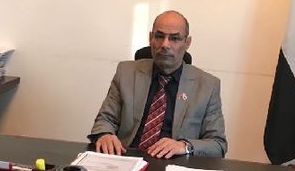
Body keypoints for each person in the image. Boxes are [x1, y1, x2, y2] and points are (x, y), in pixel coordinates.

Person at [89, 11, 227, 158]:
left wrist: (185, 146)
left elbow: (218, 144)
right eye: (159, 36)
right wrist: (105, 134)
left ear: (187, 43)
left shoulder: (207, 86)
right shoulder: (126, 73)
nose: (165, 44)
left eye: (174, 38)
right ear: (150, 38)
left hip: (174, 164)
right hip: (127, 158)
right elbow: (105, 119)